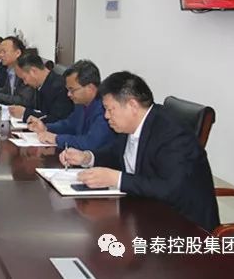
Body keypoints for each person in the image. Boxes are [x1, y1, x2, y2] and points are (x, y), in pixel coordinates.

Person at [60, 71, 220, 232]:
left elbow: (170, 188)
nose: (106, 116)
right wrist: (87, 157)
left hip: (184, 226)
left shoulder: (173, 133)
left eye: (110, 109)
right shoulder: (131, 125)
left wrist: (116, 179)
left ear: (132, 106)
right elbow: (115, 154)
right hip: (146, 211)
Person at [28, 59, 115, 150]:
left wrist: (56, 139)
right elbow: (69, 124)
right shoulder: (81, 104)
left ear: (90, 88)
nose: (68, 94)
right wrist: (46, 127)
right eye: (68, 90)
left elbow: (89, 143)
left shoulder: (105, 110)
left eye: (72, 90)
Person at [9, 51, 73, 122]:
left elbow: (56, 120)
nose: (25, 83)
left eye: (24, 78)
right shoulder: (41, 85)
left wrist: (25, 113)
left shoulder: (59, 88)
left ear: (33, 71)